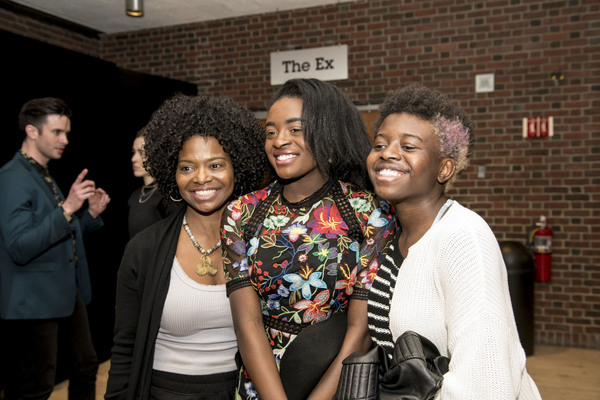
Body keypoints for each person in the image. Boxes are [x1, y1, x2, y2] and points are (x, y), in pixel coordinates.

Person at [221, 78, 396, 400]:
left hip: (337, 380)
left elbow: (361, 329)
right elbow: (247, 323)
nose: (279, 141)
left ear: (327, 131)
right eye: (270, 132)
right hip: (261, 380)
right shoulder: (241, 212)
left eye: (295, 129)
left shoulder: (370, 212)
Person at [366, 83, 542, 399]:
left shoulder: (463, 238)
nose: (388, 153)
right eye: (380, 144)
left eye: (409, 146)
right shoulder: (393, 235)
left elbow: (487, 384)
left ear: (444, 168)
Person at [105, 94, 270, 400]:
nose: (202, 178)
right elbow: (125, 346)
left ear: (239, 167)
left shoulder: (265, 243)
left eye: (216, 164)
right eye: (187, 167)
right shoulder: (144, 249)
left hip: (243, 391)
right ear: (172, 173)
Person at [0, 97, 111, 399]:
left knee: (86, 365)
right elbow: (20, 246)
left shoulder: (41, 173)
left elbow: (60, 233)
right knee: (36, 385)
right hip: (34, 298)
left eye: (67, 132)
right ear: (32, 132)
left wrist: (88, 216)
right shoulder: (13, 177)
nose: (65, 140)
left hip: (63, 290)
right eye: (57, 132)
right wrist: (67, 209)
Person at [127, 128, 180, 238]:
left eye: (142, 153)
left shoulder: (168, 196)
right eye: (134, 152)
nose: (134, 158)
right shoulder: (135, 196)